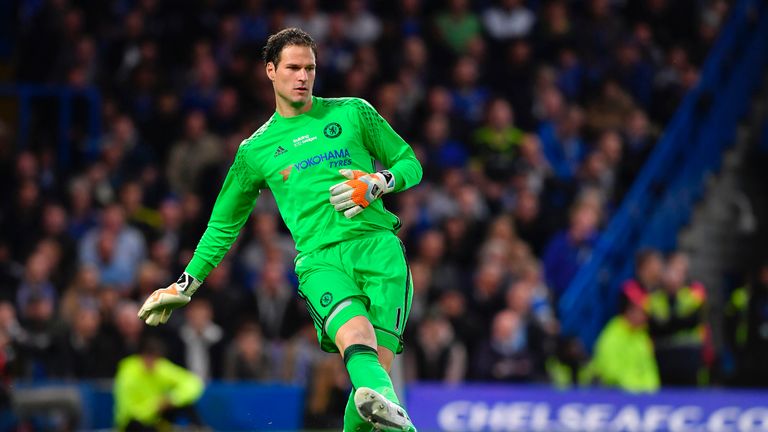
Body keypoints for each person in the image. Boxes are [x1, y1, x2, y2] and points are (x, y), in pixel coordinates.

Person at [137, 28, 422, 432]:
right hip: (321, 262)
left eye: (310, 68)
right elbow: (223, 224)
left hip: (381, 252)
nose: (303, 76)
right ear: (271, 71)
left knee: (372, 391)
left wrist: (380, 181)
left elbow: (410, 162)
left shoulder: (353, 112)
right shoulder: (255, 151)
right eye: (293, 68)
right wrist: (185, 284)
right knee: (359, 344)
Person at [113, 336, 205, 431]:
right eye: (149, 358)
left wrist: (172, 398)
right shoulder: (127, 372)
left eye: (156, 359)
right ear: (141, 356)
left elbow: (193, 383)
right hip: (132, 423)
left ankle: (199, 429)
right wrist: (155, 406)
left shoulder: (160, 367)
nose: (153, 363)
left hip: (156, 418)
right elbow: (128, 410)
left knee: (187, 404)